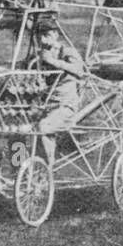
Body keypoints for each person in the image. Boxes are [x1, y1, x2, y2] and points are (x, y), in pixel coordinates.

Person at [32, 24, 86, 161]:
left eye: (46, 36)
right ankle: (18, 167)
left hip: (65, 107)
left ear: (56, 34)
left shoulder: (67, 52)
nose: (43, 41)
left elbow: (80, 71)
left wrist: (52, 61)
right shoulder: (39, 54)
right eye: (40, 37)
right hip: (43, 106)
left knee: (44, 127)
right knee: (17, 130)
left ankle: (46, 169)